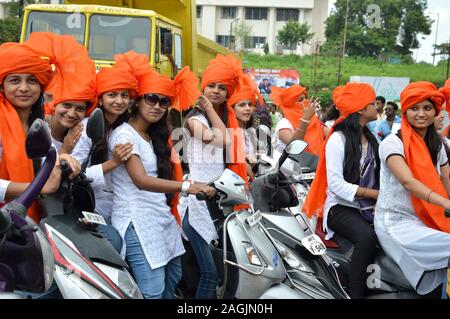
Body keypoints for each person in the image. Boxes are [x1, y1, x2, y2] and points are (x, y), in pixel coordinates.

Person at [109, 51, 214, 299]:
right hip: (137, 222)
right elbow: (141, 180)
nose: (157, 106)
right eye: (152, 99)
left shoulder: (153, 135)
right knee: (152, 292)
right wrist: (188, 186)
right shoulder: (125, 135)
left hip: (160, 219)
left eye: (164, 102)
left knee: (173, 280)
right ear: (137, 101)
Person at [302, 83, 380, 298]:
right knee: (366, 238)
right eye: (373, 103)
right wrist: (373, 194)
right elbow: (336, 185)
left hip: (371, 206)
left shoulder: (372, 139)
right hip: (341, 207)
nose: (377, 107)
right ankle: (355, 294)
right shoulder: (338, 139)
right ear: (361, 109)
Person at [374, 82, 450, 295]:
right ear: (405, 111)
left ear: (436, 111)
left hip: (427, 218)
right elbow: (407, 181)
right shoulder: (392, 143)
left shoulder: (438, 144)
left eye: (427, 108)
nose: (421, 114)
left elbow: (446, 179)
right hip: (395, 222)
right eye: (414, 108)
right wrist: (445, 203)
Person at [181, 53, 247, 299]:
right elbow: (225, 140)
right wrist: (208, 107)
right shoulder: (194, 119)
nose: (216, 91)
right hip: (198, 206)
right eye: (211, 86)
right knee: (211, 273)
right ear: (203, 87)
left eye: (222, 88)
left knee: (220, 273)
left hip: (218, 204)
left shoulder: (227, 118)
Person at [0, 39, 81, 224]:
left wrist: (63, 158)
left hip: (22, 223)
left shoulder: (37, 123)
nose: (24, 88)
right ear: (2, 85)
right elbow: (44, 184)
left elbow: (48, 162)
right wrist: (36, 188)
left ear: (41, 86)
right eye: (14, 81)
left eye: (32, 81)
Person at [71, 52, 138, 252]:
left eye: (124, 95)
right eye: (112, 95)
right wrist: (114, 162)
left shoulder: (125, 129)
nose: (119, 101)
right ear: (100, 99)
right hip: (86, 207)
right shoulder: (86, 128)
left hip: (116, 207)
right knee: (114, 245)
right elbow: (75, 172)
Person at [25, 32, 98, 154]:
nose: (71, 113)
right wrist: (65, 149)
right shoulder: (38, 129)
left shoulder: (79, 132)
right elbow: (44, 171)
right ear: (53, 104)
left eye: (80, 109)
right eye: (67, 105)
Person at [270, 84, 322, 156]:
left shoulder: (313, 120)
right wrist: (305, 120)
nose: (306, 101)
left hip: (312, 164)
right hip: (290, 165)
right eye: (301, 100)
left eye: (305, 98)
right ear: (291, 105)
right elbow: (294, 147)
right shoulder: (284, 124)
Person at [227, 75, 261, 180]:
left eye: (250, 104)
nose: (248, 109)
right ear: (232, 108)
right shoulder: (227, 132)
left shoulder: (249, 131)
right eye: (242, 105)